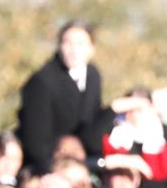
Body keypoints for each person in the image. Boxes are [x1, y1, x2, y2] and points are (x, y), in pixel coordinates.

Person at [16, 21, 103, 173]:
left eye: (80, 44)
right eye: (67, 43)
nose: (73, 50)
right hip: (46, 167)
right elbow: (36, 143)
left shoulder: (93, 75)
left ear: (91, 49)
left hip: (80, 164)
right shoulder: (42, 81)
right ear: (59, 46)